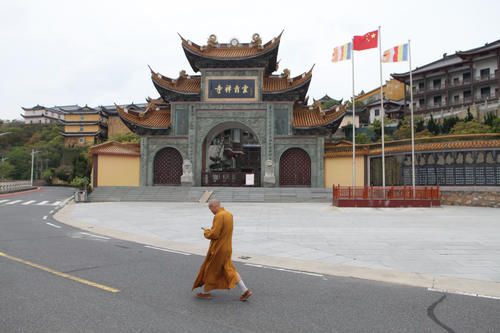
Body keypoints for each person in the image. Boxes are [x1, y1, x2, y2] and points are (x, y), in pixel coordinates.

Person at [192, 199, 252, 301]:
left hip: (219, 249)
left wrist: (206, 232)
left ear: (214, 206)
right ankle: (245, 290)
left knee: (210, 269)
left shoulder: (219, 216)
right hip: (227, 247)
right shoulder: (229, 214)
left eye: (210, 209)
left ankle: (206, 293)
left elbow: (215, 234)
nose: (211, 211)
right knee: (230, 269)